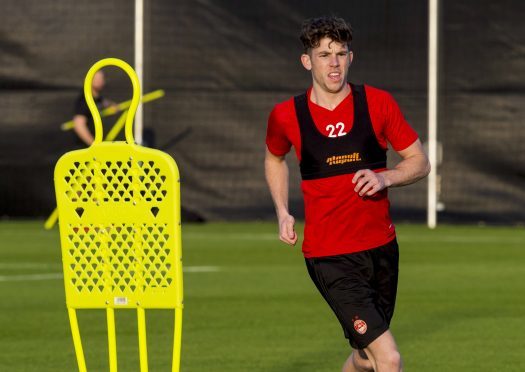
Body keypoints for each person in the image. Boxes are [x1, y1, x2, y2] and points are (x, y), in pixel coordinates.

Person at [264, 16, 430, 372]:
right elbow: (274, 158)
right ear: (307, 61)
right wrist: (282, 210)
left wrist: (386, 178)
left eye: (341, 53)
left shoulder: (378, 103)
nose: (334, 63)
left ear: (351, 58)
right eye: (324, 55)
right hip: (331, 257)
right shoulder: (285, 115)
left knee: (366, 357)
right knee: (389, 357)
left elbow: (420, 162)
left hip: (382, 250)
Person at [72, 70, 118, 146]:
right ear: (88, 80)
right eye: (96, 78)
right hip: (86, 148)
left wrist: (112, 105)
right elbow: (79, 125)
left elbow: (104, 102)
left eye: (101, 78)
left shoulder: (97, 98)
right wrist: (94, 145)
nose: (99, 81)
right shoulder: (84, 100)